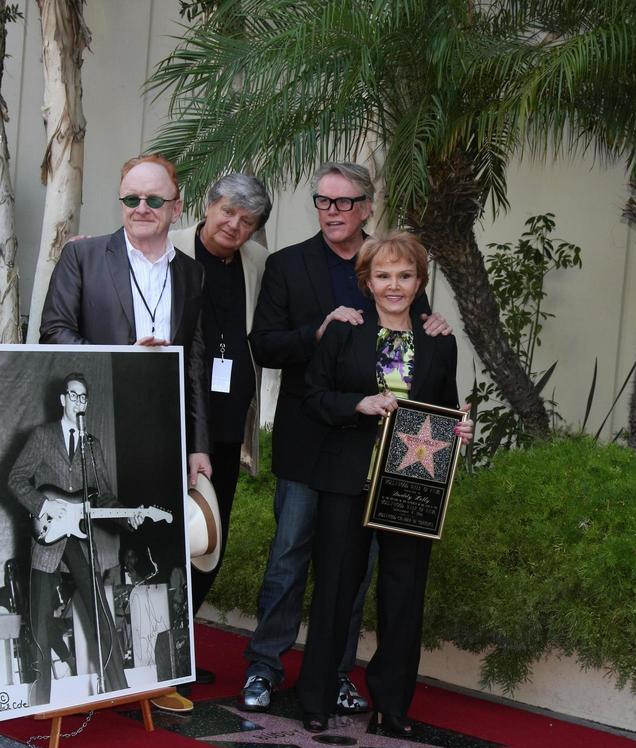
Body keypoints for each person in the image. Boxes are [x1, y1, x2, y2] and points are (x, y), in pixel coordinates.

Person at [243, 161, 453, 714]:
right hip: (309, 434)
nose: (331, 211)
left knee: (350, 568)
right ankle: (264, 667)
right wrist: (319, 331)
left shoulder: (390, 260)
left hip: (371, 449)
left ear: (366, 207)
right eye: (322, 201)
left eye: (343, 202)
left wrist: (434, 326)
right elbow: (262, 346)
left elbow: (411, 339)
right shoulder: (288, 264)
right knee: (289, 555)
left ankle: (337, 672)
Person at [39, 153, 212, 714]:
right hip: (100, 427)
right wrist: (118, 356)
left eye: (153, 200)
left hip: (164, 434)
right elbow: (53, 332)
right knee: (97, 555)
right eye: (131, 198)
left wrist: (199, 447)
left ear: (175, 205)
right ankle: (78, 680)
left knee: (161, 552)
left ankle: (157, 676)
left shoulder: (190, 272)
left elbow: (196, 365)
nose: (140, 209)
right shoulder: (85, 255)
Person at [297, 231, 473, 733]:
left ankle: (392, 706)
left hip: (411, 482)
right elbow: (313, 398)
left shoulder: (440, 341)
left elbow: (443, 407)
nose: (394, 285)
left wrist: (460, 428)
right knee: (333, 588)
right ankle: (317, 698)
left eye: (404, 275)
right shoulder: (344, 331)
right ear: (367, 281)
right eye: (383, 276)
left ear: (419, 282)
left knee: (404, 592)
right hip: (346, 478)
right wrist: (358, 403)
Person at [8, 373, 145, 707]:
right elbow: (16, 478)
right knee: (40, 624)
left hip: (80, 538)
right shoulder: (42, 436)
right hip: (48, 536)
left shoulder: (91, 445)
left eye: (84, 398)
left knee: (100, 612)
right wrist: (44, 504)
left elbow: (106, 497)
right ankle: (42, 704)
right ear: (62, 400)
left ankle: (118, 691)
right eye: (73, 395)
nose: (78, 402)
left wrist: (128, 516)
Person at [170, 173, 271, 614]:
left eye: (246, 220)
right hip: (172, 416)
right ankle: (158, 648)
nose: (234, 225)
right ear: (208, 206)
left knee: (210, 533)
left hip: (228, 422)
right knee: (166, 531)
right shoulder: (168, 245)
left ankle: (183, 644)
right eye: (228, 211)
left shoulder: (258, 262)